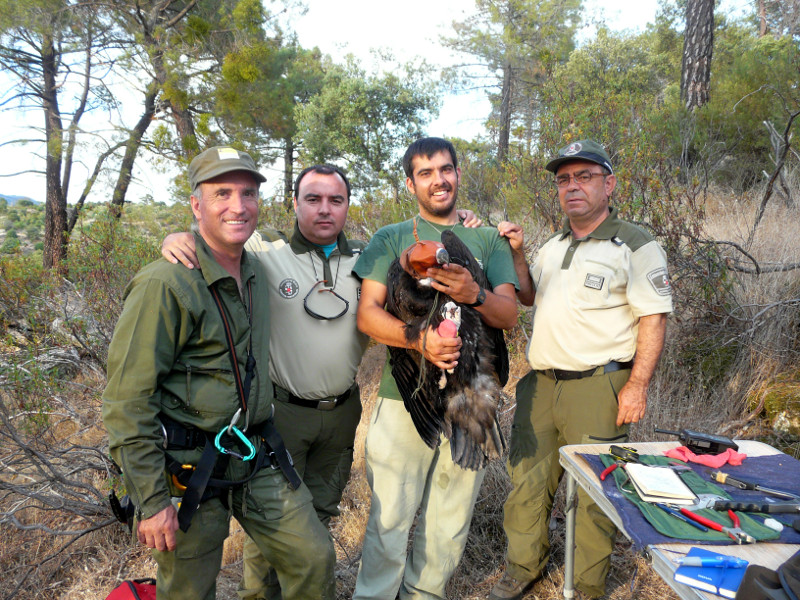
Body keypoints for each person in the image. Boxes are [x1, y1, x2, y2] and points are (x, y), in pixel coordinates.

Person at [160, 164, 484, 600]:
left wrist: (459, 220)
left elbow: (423, 256)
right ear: (294, 203)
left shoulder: (368, 258)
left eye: (336, 200)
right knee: (268, 529)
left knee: (317, 518)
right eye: (312, 199)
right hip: (279, 415)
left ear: (348, 205)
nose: (324, 210)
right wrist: (180, 237)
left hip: (342, 412)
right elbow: (219, 236)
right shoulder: (265, 247)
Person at [103, 146, 335, 600]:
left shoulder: (258, 265)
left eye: (248, 193)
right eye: (221, 193)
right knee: (188, 590)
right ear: (195, 204)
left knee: (313, 556)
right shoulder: (164, 284)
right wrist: (151, 502)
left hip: (254, 452)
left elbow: (313, 236)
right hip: (187, 465)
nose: (238, 206)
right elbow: (127, 400)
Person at [489, 140, 673, 600]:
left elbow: (653, 316)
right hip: (541, 384)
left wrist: (637, 385)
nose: (572, 186)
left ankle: (587, 585)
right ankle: (523, 568)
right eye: (564, 179)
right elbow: (529, 295)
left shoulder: (633, 243)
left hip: (600, 385)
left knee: (595, 491)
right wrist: (516, 252)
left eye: (584, 176)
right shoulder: (553, 244)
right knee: (526, 480)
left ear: (608, 184)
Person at [352, 136, 520, 600]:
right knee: (390, 520)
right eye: (425, 173)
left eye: (445, 169)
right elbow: (367, 313)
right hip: (403, 395)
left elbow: (509, 313)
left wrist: (475, 296)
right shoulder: (390, 237)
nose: (438, 180)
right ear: (410, 183)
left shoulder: (487, 239)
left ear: (458, 174)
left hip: (472, 399)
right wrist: (418, 341)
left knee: (449, 521)